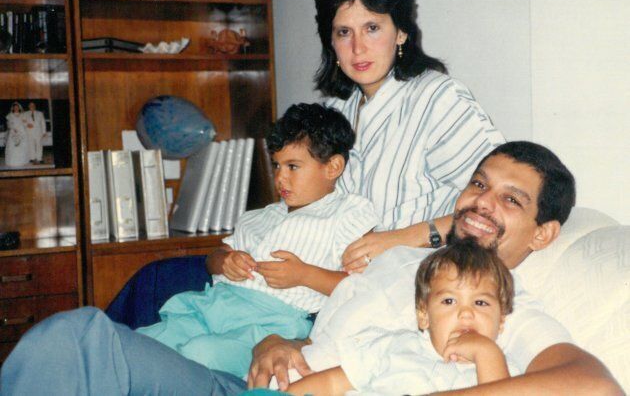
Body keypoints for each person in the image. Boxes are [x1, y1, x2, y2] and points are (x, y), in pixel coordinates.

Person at [248, 141, 622, 395]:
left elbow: (597, 386)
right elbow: (333, 344)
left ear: (542, 235)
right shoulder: (401, 260)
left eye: (510, 199)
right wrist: (276, 343)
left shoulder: (496, 306)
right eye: (479, 184)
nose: (482, 202)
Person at [133, 103, 379, 378]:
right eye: (276, 165)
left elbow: (362, 287)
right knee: (145, 343)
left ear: (333, 167)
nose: (279, 177)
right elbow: (212, 258)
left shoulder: (347, 213)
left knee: (199, 355)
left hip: (271, 324)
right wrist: (225, 261)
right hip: (214, 305)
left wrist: (304, 275)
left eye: (293, 166)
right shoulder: (258, 217)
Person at [313, 0, 504, 273]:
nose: (357, 48)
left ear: (400, 32)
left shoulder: (438, 99)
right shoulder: (334, 113)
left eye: (372, 28)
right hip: (338, 285)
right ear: (331, 42)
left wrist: (401, 238)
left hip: (418, 280)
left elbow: (494, 205)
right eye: (344, 32)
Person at [286, 241, 518, 394]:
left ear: (501, 322)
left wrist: (486, 353)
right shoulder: (392, 345)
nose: (466, 313)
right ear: (424, 316)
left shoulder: (506, 372)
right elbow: (331, 382)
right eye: (449, 301)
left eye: (481, 303)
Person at [4, 102, 29, 167]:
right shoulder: (10, 115)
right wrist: (13, 128)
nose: (16, 108)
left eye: (17, 107)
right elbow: (8, 124)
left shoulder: (23, 115)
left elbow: (25, 123)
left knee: (22, 146)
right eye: (15, 107)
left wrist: (26, 124)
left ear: (19, 108)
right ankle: (12, 162)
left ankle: (22, 161)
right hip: (13, 131)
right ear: (13, 108)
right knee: (13, 146)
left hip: (21, 131)